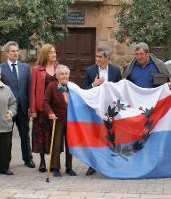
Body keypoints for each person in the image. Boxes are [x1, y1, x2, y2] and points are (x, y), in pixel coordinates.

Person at [81, 45, 122, 176]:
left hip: (111, 109)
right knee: (95, 136)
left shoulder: (115, 70)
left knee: (111, 136)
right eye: (96, 56)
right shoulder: (90, 71)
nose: (97, 59)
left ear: (107, 58)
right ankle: (92, 165)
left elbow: (120, 89)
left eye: (100, 57)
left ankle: (112, 163)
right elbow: (84, 90)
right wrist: (95, 84)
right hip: (95, 109)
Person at [0, 41, 34, 169]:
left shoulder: (25, 67)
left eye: (17, 51)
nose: (16, 53)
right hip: (8, 108)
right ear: (7, 53)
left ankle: (28, 159)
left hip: (23, 107)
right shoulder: (0, 68)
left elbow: (29, 88)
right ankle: (6, 162)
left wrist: (31, 106)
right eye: (13, 51)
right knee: (6, 136)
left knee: (25, 135)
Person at [29, 44, 60, 172]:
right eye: (51, 52)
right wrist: (33, 110)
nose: (54, 54)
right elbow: (33, 91)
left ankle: (53, 163)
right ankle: (42, 161)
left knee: (54, 135)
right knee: (41, 135)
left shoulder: (59, 68)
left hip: (55, 108)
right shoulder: (37, 70)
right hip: (41, 108)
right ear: (45, 54)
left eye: (55, 52)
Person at [45, 65, 76, 177]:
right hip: (57, 120)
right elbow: (46, 102)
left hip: (70, 120)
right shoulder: (52, 86)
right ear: (57, 76)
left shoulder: (72, 86)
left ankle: (69, 167)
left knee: (70, 144)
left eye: (66, 74)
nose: (64, 76)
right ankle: (55, 167)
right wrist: (50, 113)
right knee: (57, 144)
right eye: (61, 74)